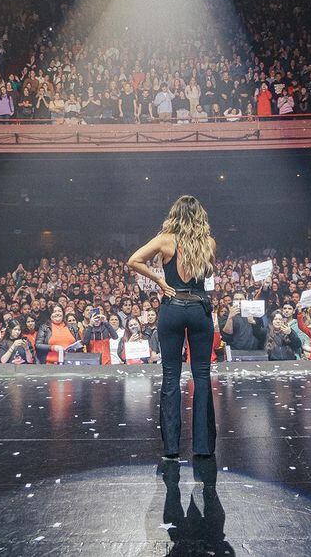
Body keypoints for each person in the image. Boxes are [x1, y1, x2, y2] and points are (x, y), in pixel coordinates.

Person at [128, 194, 217, 459]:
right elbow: (207, 274)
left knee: (171, 375)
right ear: (199, 215)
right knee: (201, 376)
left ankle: (171, 447)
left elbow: (133, 260)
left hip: (173, 307)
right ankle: (202, 446)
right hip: (199, 308)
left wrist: (159, 280)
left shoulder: (166, 240)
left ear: (175, 214)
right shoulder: (209, 242)